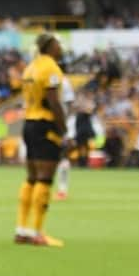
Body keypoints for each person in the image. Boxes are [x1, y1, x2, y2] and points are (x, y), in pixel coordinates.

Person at [15, 33, 66, 247]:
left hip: (29, 123)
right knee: (45, 178)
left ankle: (21, 229)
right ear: (50, 46)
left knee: (31, 178)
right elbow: (53, 101)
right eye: (58, 44)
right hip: (45, 125)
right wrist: (63, 129)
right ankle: (38, 232)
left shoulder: (30, 68)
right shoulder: (50, 68)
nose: (61, 48)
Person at [54, 73, 76, 201]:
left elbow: (70, 104)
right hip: (47, 123)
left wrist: (68, 125)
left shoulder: (63, 81)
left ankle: (62, 190)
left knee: (62, 155)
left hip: (59, 124)